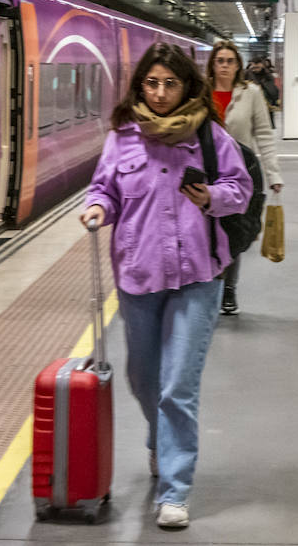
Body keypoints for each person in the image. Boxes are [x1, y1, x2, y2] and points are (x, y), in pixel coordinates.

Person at [80, 42, 252, 529]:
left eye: (170, 83)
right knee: (143, 377)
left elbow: (240, 191)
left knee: (178, 385)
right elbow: (104, 189)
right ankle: (160, 440)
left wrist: (211, 196)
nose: (159, 93)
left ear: (186, 87)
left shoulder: (210, 137)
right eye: (151, 83)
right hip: (139, 274)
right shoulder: (122, 138)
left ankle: (174, 488)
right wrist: (98, 208)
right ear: (139, 86)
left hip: (197, 274)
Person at [205, 40, 282, 315]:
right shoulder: (200, 92)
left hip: (239, 173)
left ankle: (228, 289)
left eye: (229, 61)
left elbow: (263, 133)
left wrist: (273, 173)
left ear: (238, 65)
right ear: (212, 64)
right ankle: (209, 286)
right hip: (205, 173)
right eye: (220, 60)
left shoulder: (251, 93)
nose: (224, 66)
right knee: (205, 231)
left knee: (234, 233)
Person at [246, 56, 280, 126]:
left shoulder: (268, 75)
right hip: (250, 103)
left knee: (264, 125)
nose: (255, 70)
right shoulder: (247, 73)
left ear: (262, 65)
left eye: (257, 67)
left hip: (265, 103)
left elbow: (272, 91)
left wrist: (262, 85)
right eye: (254, 67)